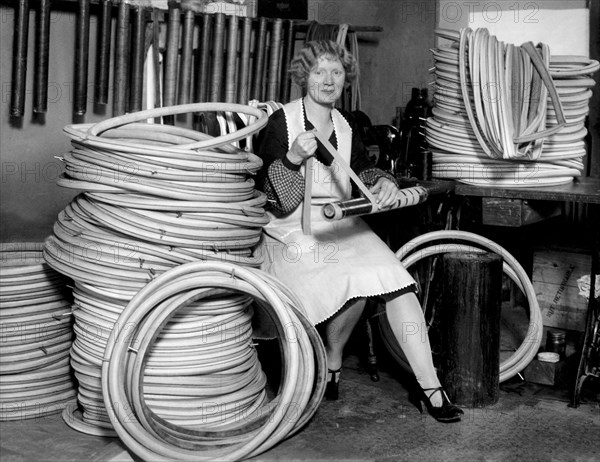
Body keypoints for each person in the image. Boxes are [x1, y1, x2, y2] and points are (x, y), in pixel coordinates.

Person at [256, 40, 463, 423]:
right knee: (351, 280)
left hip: (342, 223)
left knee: (396, 280)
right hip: (290, 232)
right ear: (304, 76)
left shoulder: (344, 124)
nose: (328, 80)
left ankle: (430, 388)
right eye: (319, 71)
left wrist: (382, 181)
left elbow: (363, 170)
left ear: (345, 78)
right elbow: (274, 200)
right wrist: (293, 157)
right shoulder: (280, 123)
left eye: (336, 72)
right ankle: (331, 362)